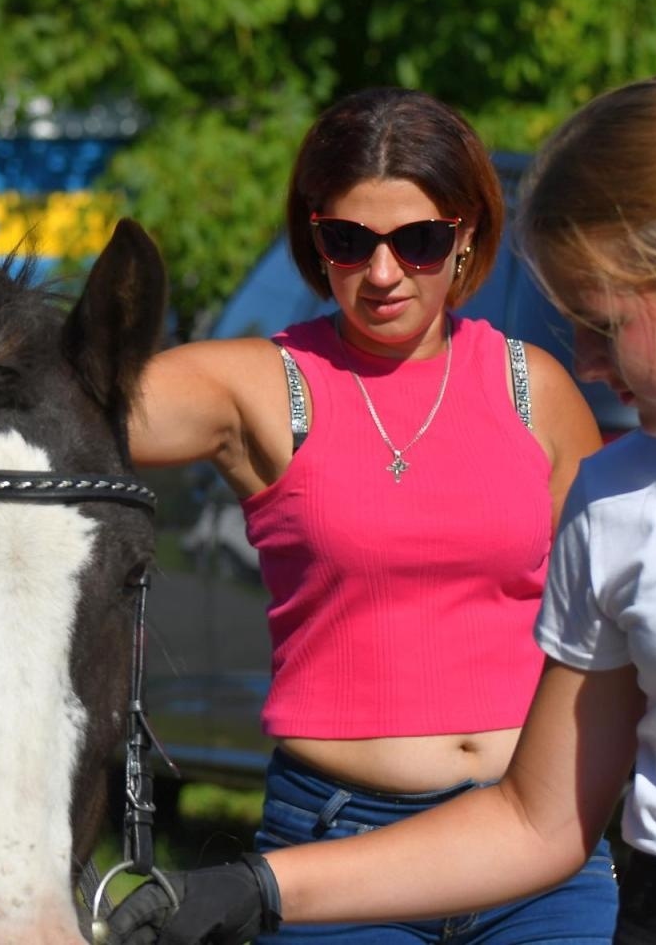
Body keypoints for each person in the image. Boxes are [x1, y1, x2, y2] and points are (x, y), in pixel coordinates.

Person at [110, 75, 656, 945]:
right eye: (347, 239)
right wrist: (257, 886)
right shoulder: (626, 494)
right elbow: (537, 820)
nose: (590, 365)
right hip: (630, 898)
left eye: (603, 322)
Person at [128, 87, 616, 943]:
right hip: (339, 852)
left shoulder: (531, 386)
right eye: (349, 242)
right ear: (314, 239)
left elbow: (619, 616)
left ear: (465, 234)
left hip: (541, 858)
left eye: (418, 241)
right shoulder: (262, 384)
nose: (383, 273)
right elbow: (63, 401)